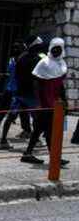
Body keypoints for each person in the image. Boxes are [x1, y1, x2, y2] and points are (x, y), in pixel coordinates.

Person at [21, 37, 70, 165]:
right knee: (47, 129)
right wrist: (38, 102)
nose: (56, 51)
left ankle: (28, 153)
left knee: (40, 128)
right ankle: (54, 157)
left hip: (55, 102)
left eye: (59, 49)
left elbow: (60, 85)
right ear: (50, 49)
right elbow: (36, 83)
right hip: (44, 101)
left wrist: (64, 100)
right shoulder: (44, 62)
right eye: (54, 48)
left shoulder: (62, 64)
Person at [0, 41, 32, 150]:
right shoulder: (12, 60)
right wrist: (3, 75)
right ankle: (2, 139)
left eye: (18, 47)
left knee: (26, 114)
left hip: (21, 91)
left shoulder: (25, 60)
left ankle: (29, 133)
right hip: (13, 90)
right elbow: (11, 73)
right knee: (11, 114)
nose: (15, 49)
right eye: (14, 47)